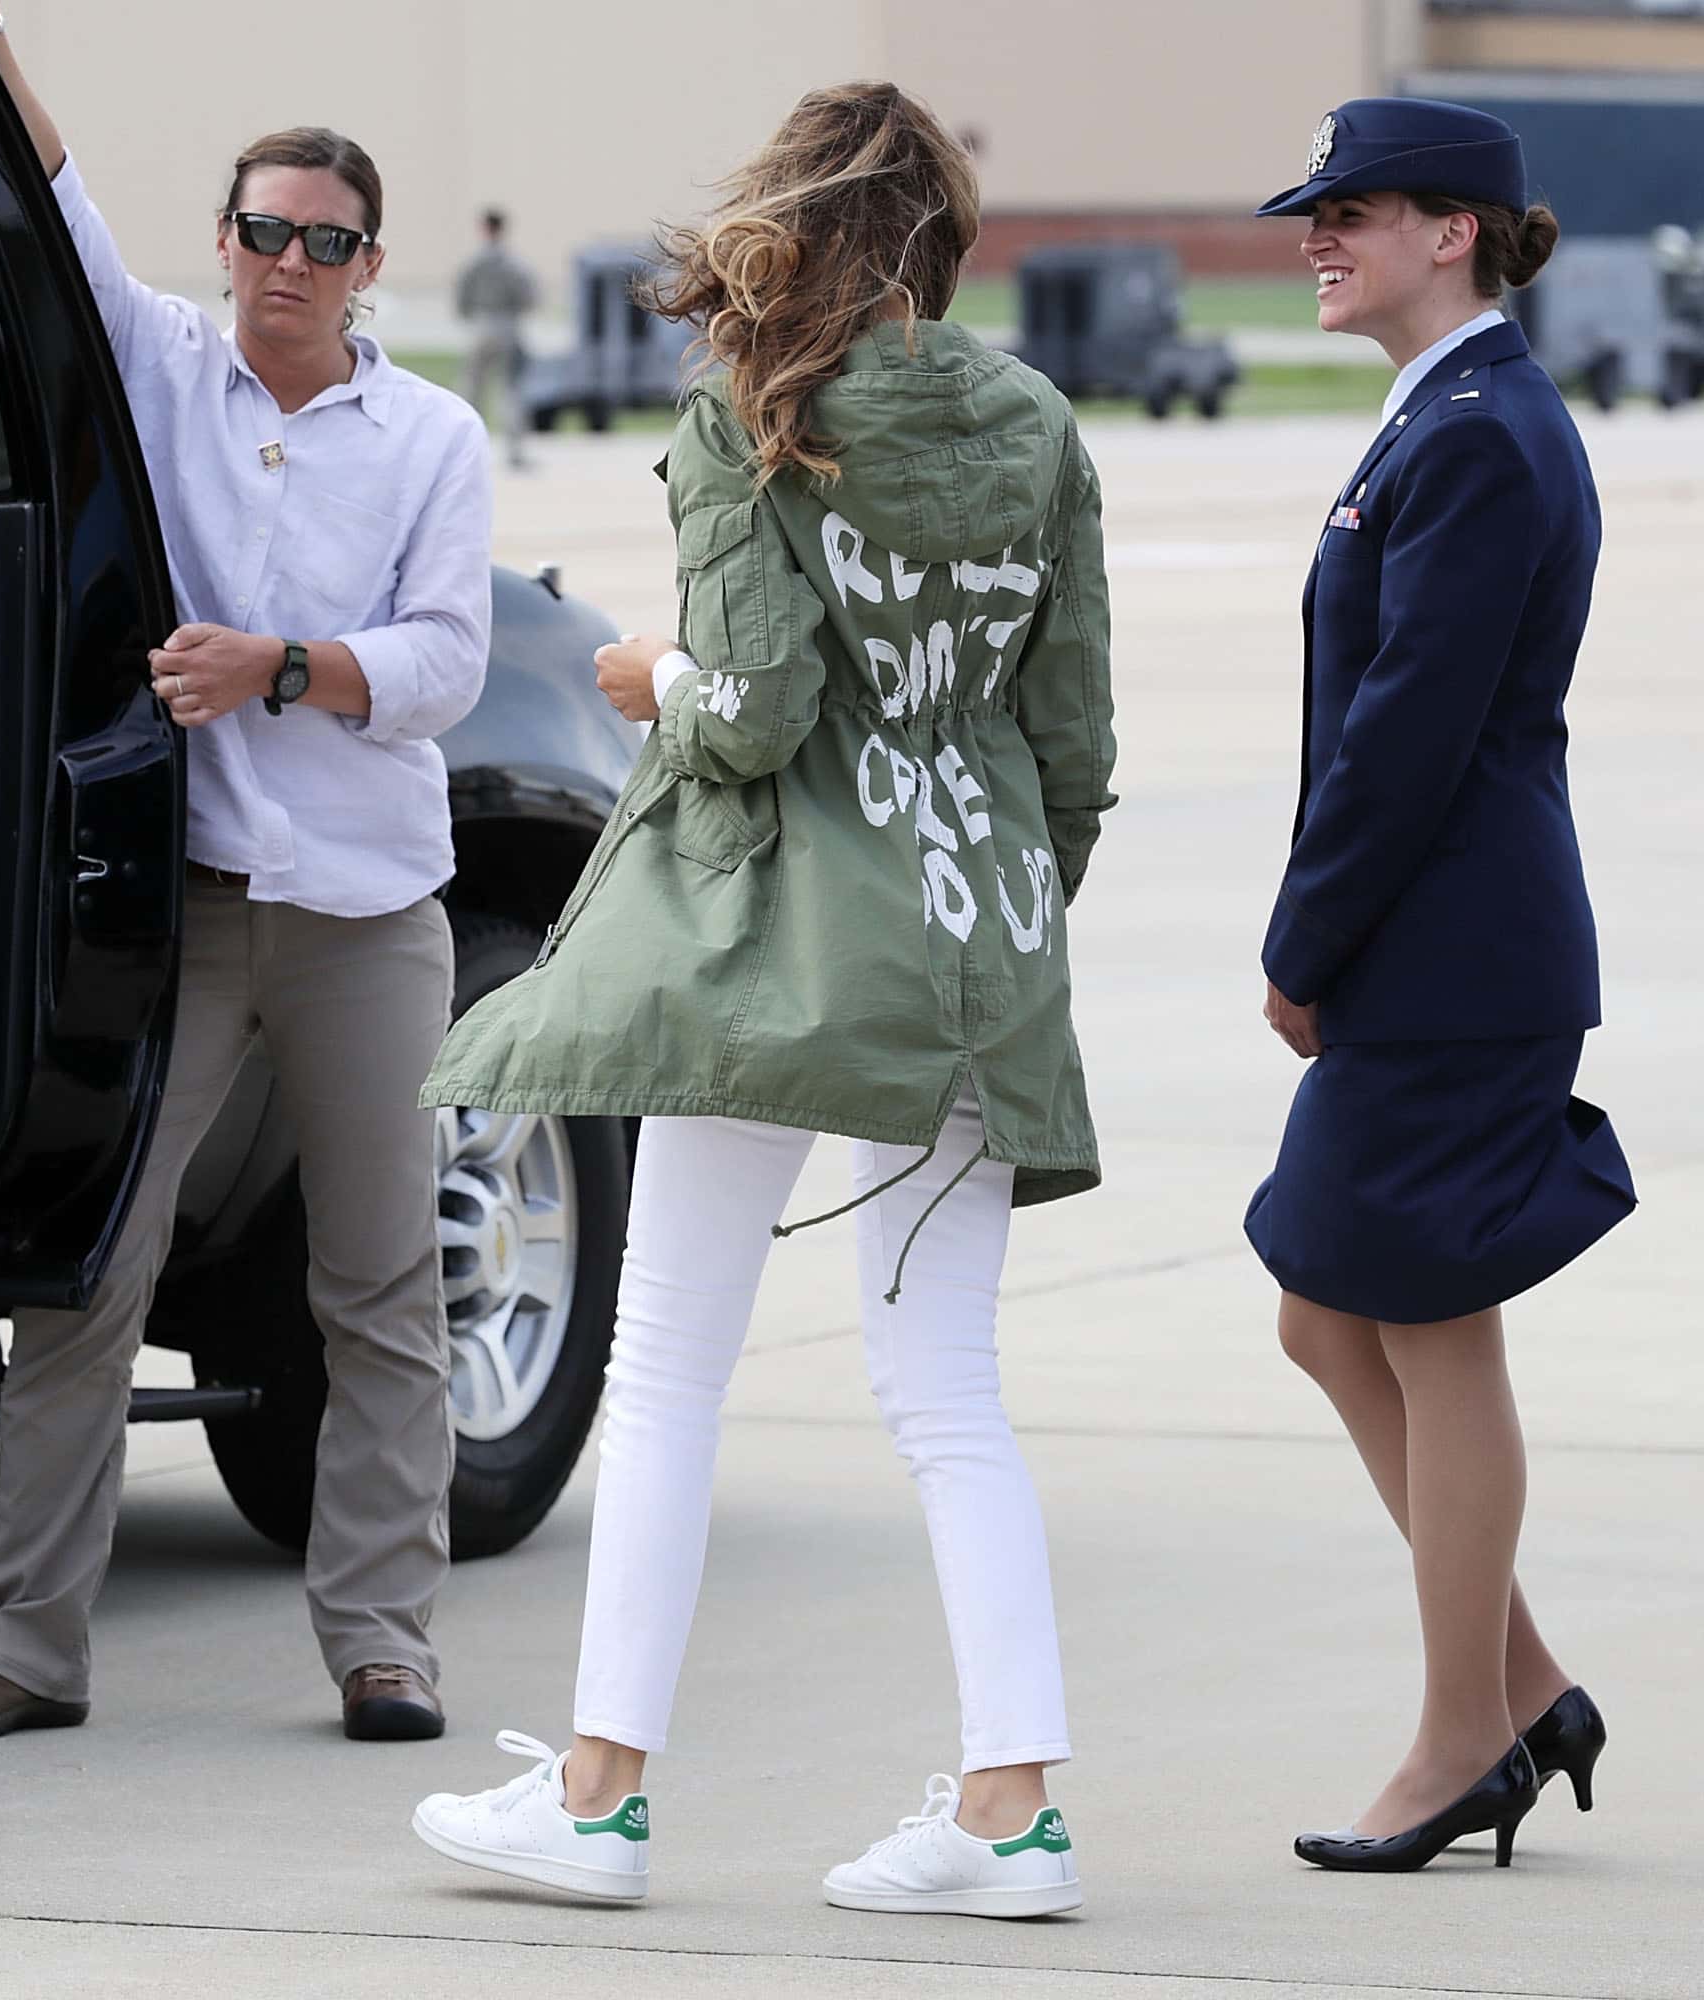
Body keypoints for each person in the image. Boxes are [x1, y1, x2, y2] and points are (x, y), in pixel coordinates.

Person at [403, 81, 1115, 1916]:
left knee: (664, 1373)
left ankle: (598, 1797)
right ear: (935, 240)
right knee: (950, 1391)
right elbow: (1074, 741)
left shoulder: (759, 420)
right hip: (986, 941)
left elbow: (762, 708)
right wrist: (1016, 926)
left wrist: (647, 674)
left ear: (792, 223)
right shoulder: (1038, 421)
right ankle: (1014, 1812)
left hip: (784, 948)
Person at [0, 0, 492, 1745]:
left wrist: (283, 668)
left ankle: (384, 1640)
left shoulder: (431, 441)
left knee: (381, 1284)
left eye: (323, 240)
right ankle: (24, 1647)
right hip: (196, 913)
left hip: (373, 917)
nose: (287, 263)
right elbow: (49, 196)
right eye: (261, 231)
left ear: (366, 262)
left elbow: (449, 665)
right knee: (87, 1271)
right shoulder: (162, 362)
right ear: (224, 243)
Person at [1242, 98, 1634, 1873]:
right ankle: (1527, 1685)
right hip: (1446, 947)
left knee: (1416, 1323)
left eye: (1357, 212)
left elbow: (1408, 733)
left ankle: (1465, 1735)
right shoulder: (1453, 417)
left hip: (1451, 951)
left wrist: (1303, 940)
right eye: (1318, 214)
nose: (1320, 240)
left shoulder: (1478, 436)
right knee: (1332, 1314)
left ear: (1456, 230)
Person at [455, 208, 538, 470]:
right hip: (507, 324)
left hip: (481, 323)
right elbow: (529, 296)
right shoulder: (514, 263)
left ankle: (466, 449)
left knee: (472, 389)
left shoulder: (473, 262)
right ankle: (514, 452)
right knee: (511, 389)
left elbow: (461, 295)